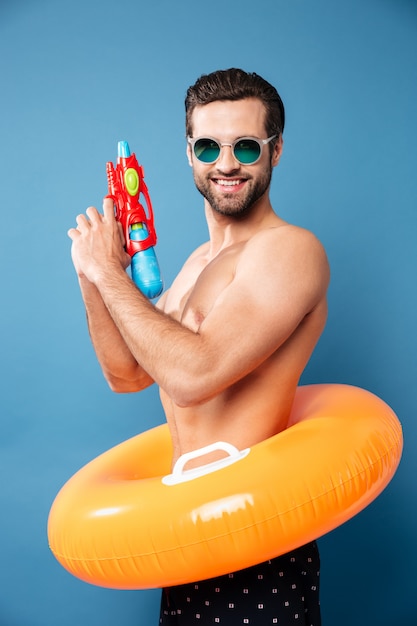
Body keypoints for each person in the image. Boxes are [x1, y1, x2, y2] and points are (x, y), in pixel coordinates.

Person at [68, 68, 330, 625]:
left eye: (246, 147)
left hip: (259, 545)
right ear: (190, 154)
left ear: (276, 150)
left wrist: (111, 280)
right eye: (209, 146)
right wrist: (96, 273)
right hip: (186, 544)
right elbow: (127, 375)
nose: (226, 163)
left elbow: (192, 377)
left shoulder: (289, 252)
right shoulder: (191, 267)